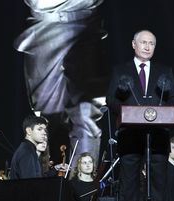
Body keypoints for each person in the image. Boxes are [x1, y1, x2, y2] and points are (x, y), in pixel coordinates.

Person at [14, 0, 111, 169]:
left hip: (84, 26)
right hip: (45, 27)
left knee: (86, 112)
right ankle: (44, 176)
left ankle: (83, 185)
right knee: (47, 115)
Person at [106, 30, 174, 201]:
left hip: (158, 136)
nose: (147, 47)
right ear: (134, 44)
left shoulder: (165, 71)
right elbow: (111, 98)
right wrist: (129, 112)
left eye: (151, 43)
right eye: (143, 42)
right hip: (130, 135)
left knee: (158, 183)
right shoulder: (120, 70)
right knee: (129, 183)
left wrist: (160, 114)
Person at [10, 115, 48, 179]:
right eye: (39, 129)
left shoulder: (28, 149)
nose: (44, 133)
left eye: (44, 130)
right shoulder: (27, 151)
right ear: (29, 131)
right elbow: (30, 183)